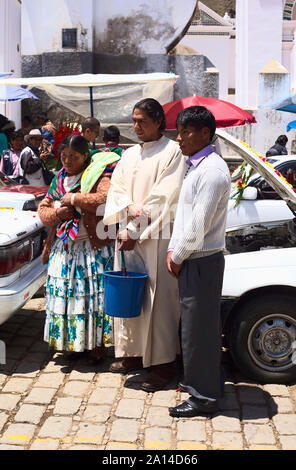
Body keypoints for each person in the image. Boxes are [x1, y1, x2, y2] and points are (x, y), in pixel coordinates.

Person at [103, 98, 187, 392]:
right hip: (130, 235)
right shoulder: (128, 155)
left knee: (158, 299)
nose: (136, 126)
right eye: (134, 120)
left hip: (157, 236)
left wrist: (133, 228)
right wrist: (128, 209)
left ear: (159, 123)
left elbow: (164, 197)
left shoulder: (173, 152)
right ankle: (135, 354)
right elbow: (117, 189)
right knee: (130, 295)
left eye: (143, 121)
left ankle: (163, 364)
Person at [166, 106, 231, 417]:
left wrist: (177, 256)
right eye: (179, 132)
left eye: (186, 132)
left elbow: (198, 225)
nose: (179, 139)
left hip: (200, 260)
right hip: (195, 259)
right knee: (195, 329)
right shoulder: (199, 165)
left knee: (199, 332)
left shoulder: (212, 171)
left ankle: (203, 398)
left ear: (206, 133)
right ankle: (201, 384)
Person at [38, 134, 120, 361]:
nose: (67, 161)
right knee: (67, 297)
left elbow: (105, 199)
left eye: (73, 156)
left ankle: (95, 346)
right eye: (63, 156)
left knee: (93, 300)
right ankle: (71, 343)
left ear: (85, 156)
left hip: (90, 250)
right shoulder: (59, 179)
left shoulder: (98, 174)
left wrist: (74, 199)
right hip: (65, 250)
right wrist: (57, 213)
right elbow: (43, 211)